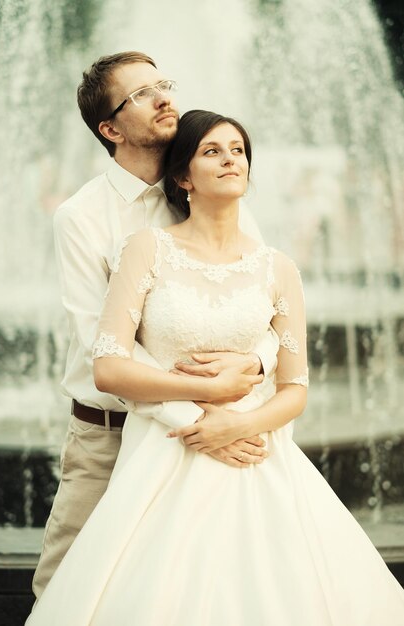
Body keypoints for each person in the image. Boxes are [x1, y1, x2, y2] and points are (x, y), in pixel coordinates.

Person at [27, 110, 404, 625]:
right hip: (163, 453)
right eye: (212, 151)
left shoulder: (278, 268)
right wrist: (205, 420)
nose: (231, 159)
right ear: (183, 177)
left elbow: (295, 389)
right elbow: (109, 367)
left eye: (238, 150)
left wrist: (241, 423)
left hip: (256, 454)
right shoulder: (145, 250)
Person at [32, 52, 278, 598]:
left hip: (217, 429)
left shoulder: (212, 185)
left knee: (199, 589)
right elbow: (100, 342)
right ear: (110, 128)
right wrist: (201, 412)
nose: (165, 97)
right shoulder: (81, 217)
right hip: (110, 435)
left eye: (163, 84)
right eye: (141, 93)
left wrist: (257, 361)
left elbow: (264, 298)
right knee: (66, 589)